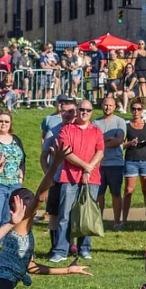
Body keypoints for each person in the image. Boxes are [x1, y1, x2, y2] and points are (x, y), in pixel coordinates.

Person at [48, 101, 104, 264]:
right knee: (65, 215)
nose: (85, 112)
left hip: (91, 178)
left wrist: (89, 169)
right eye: (82, 109)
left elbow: (100, 151)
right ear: (77, 111)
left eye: (88, 110)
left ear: (91, 112)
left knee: (86, 214)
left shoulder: (96, 132)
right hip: (69, 178)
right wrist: (86, 166)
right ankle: (60, 250)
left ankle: (84, 248)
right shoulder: (66, 129)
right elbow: (66, 153)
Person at [120, 102, 146, 226]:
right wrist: (130, 143)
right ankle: (124, 220)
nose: (136, 111)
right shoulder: (127, 126)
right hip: (131, 161)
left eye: (139, 109)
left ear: (142, 111)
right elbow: (121, 145)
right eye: (134, 109)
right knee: (128, 191)